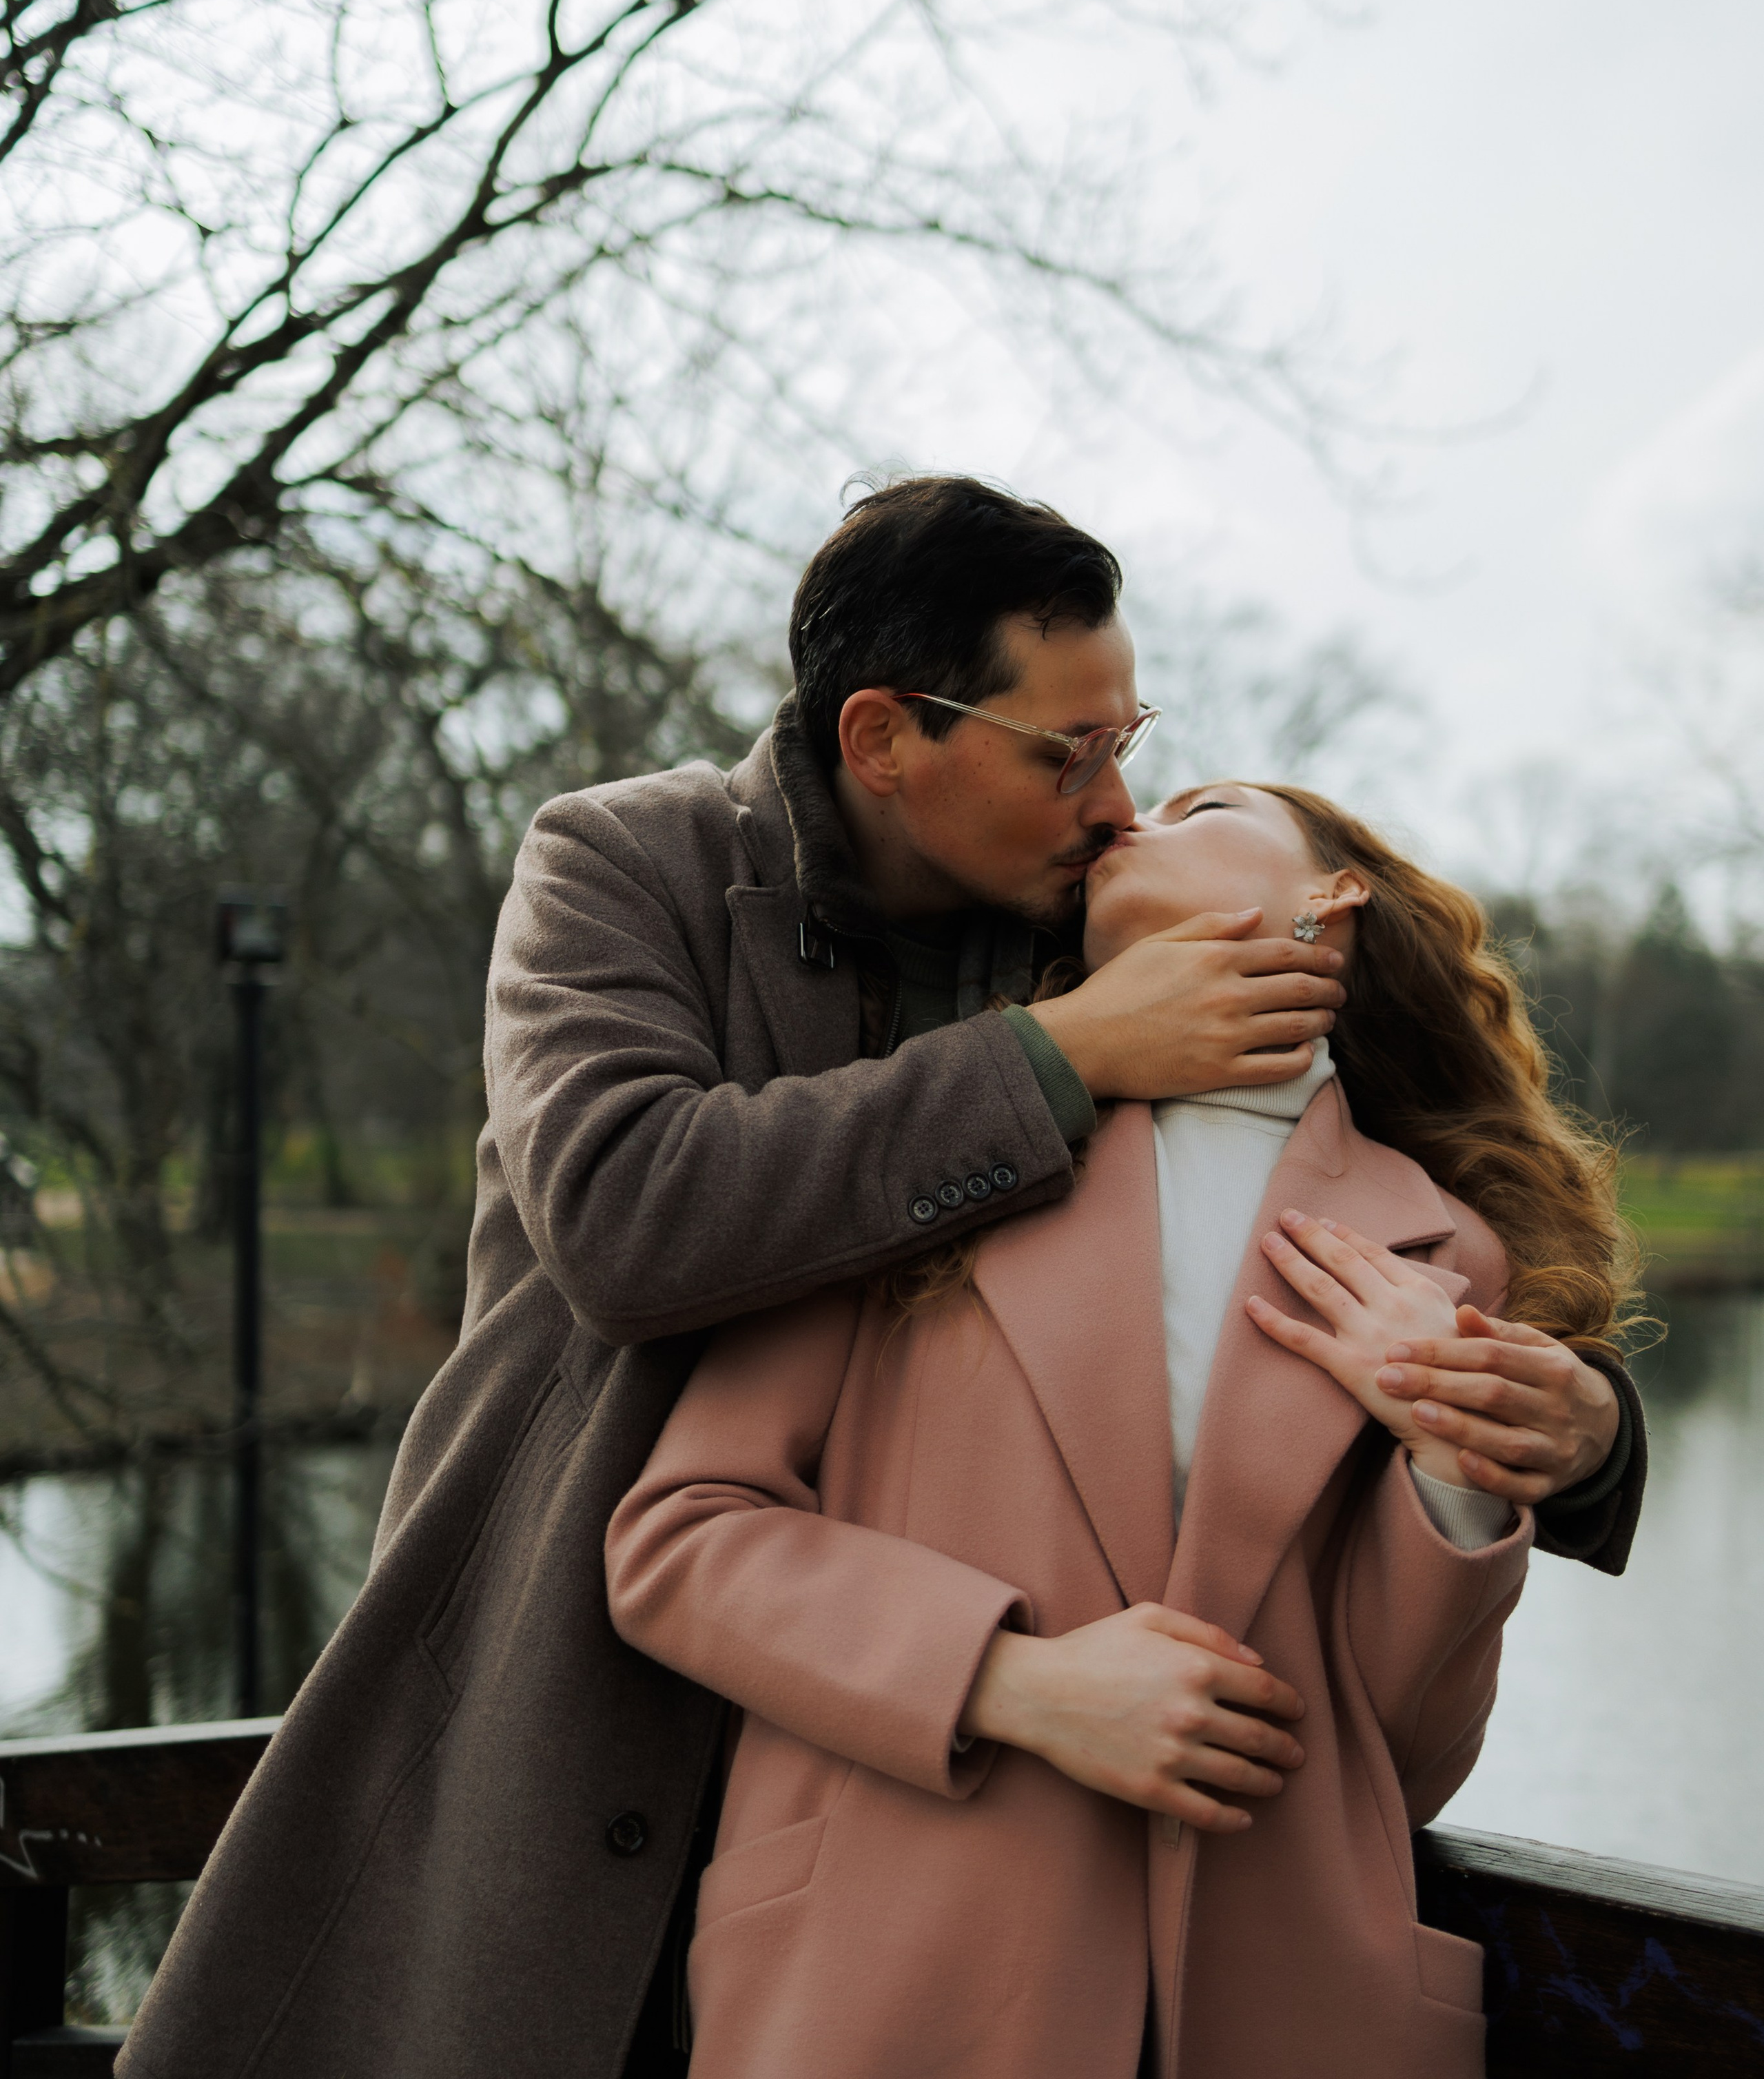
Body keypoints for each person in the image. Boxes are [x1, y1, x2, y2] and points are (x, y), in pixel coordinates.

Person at [118, 480, 1642, 2079]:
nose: (1115, 805)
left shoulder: (1067, 923)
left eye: (1126, 742)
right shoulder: (624, 862)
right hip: (580, 1702)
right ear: (882, 737)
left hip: (963, 1851)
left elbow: (1394, 1151)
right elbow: (625, 1218)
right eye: (1066, 754)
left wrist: (1580, 1430)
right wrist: (1058, 1054)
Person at [604, 781, 1643, 2077]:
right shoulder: (936, 1142)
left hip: (1286, 2014)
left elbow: (1402, 1763)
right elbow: (679, 1539)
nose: (1129, 816)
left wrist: (1453, 1462)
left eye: (1201, 804)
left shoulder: (1450, 1257)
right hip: (890, 1985)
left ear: (1333, 895)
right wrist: (1012, 1681)